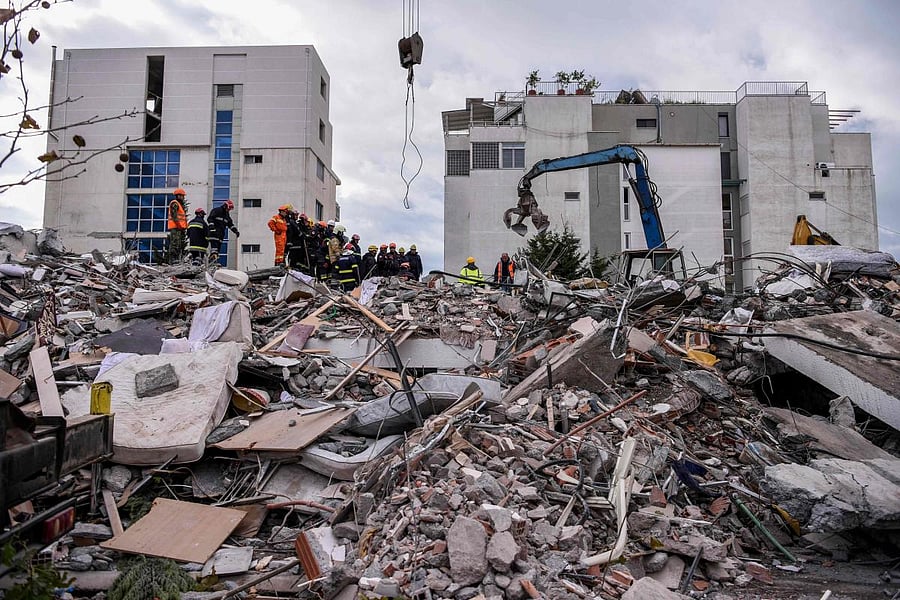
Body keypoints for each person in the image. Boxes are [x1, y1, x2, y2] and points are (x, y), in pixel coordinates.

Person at [167, 188, 188, 263]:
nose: (183, 197)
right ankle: (173, 260)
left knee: (177, 244)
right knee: (175, 244)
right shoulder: (175, 203)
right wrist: (179, 225)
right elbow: (174, 216)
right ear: (178, 196)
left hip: (178, 228)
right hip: (175, 227)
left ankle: (176, 259)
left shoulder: (179, 204)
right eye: (182, 196)